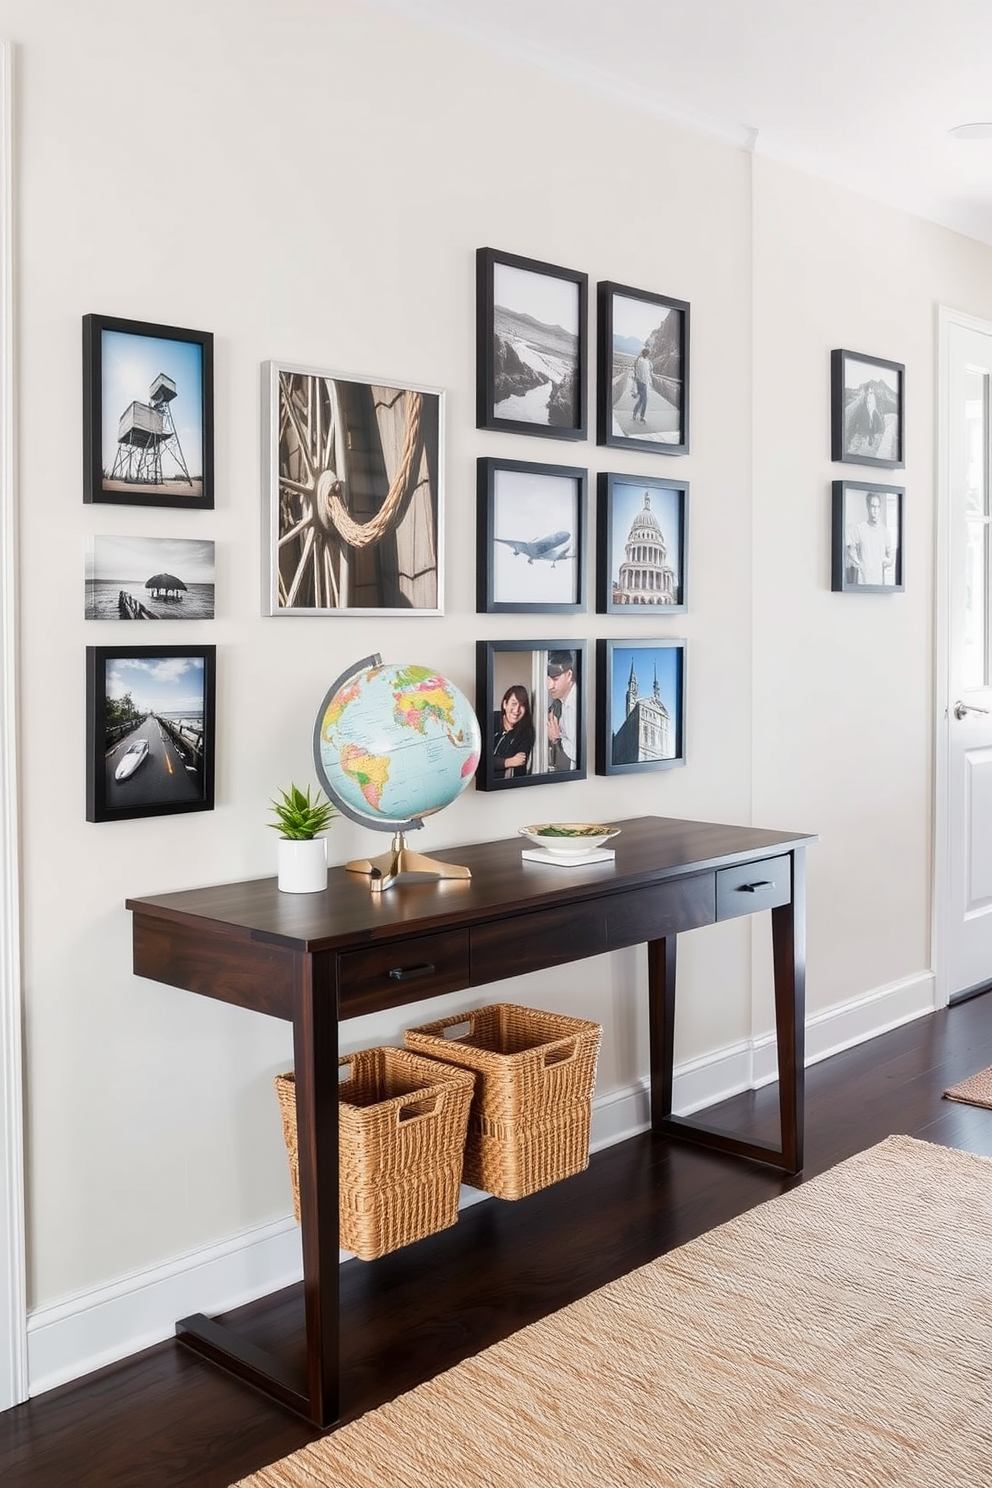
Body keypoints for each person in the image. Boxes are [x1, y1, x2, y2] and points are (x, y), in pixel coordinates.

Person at [846, 491, 894, 585]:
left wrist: (889, 561)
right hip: (863, 581)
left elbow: (890, 553)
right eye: (872, 507)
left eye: (877, 507)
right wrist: (859, 564)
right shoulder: (860, 529)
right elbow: (850, 548)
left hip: (879, 582)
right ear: (867, 507)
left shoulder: (884, 531)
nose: (875, 511)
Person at [492, 684, 535, 779]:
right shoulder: (490, 720)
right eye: (513, 703)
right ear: (505, 704)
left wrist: (497, 761)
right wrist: (507, 762)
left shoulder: (526, 732)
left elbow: (519, 762)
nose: (517, 710)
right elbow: (480, 760)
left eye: (522, 705)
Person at [546, 650, 578, 771]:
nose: (550, 686)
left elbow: (582, 755)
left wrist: (556, 738)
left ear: (569, 675)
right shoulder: (561, 704)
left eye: (555, 679)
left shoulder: (576, 705)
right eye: (548, 679)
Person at [632, 347, 652, 423]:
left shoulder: (642, 360)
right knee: (645, 400)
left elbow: (646, 372)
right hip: (642, 382)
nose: (648, 355)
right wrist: (645, 382)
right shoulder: (642, 361)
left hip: (641, 382)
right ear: (645, 353)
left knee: (641, 400)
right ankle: (642, 416)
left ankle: (635, 413)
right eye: (648, 354)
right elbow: (643, 373)